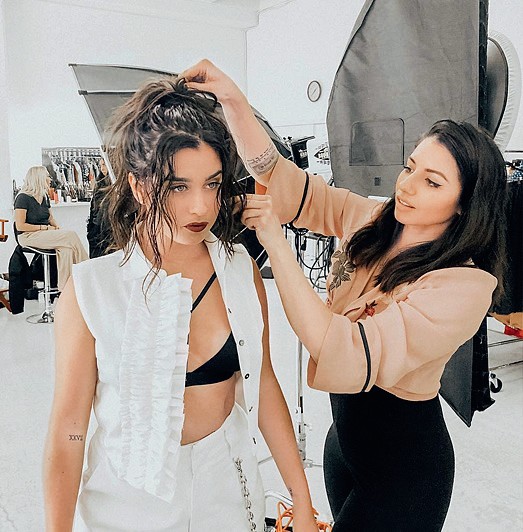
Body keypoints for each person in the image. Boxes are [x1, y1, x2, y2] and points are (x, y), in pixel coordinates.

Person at [180, 59, 508, 531]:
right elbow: (290, 184)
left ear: (465, 206)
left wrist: (275, 242)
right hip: (344, 445)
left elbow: (343, 349)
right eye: (410, 167)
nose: (406, 187)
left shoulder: (464, 287)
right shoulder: (377, 222)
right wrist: (233, 100)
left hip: (404, 472)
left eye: (432, 182)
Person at [43, 77, 318, 531]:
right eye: (178, 187)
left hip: (229, 494)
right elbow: (69, 429)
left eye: (212, 184)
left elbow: (264, 383)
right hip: (128, 508)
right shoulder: (92, 289)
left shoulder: (239, 269)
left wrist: (301, 500)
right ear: (139, 186)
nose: (200, 207)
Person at [14, 166, 88, 291]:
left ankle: (64, 290)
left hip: (43, 234)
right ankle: (87, 271)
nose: (50, 179)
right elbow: (20, 226)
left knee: (66, 249)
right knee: (71, 235)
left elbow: (50, 218)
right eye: (47, 176)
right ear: (39, 178)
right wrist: (45, 228)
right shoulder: (22, 198)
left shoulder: (44, 197)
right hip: (27, 236)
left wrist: (56, 227)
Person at [86, 157, 112, 258]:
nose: (102, 168)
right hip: (97, 229)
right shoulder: (100, 184)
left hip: (109, 230)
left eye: (104, 165)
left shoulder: (115, 185)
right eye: (100, 165)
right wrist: (90, 229)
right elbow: (93, 207)